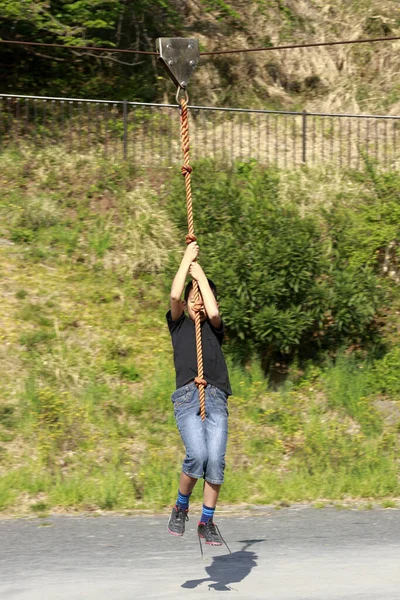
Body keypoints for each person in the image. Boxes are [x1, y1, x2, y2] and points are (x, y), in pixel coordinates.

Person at [166, 241, 232, 546]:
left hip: (215, 396)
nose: (200, 305)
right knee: (197, 455)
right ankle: (181, 506)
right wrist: (186, 261)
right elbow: (175, 295)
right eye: (196, 300)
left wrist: (201, 275)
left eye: (203, 299)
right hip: (187, 396)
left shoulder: (214, 327)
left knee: (216, 462)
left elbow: (215, 309)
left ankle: (206, 521)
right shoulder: (179, 324)